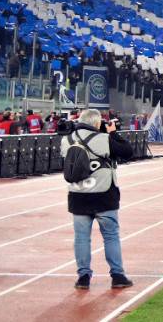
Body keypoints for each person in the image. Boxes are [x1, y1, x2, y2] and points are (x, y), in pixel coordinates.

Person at [64, 108, 134, 290]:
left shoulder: (67, 139)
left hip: (78, 195)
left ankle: (83, 277)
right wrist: (113, 133)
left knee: (81, 238)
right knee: (110, 236)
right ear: (97, 123)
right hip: (104, 195)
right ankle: (117, 276)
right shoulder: (104, 139)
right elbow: (128, 152)